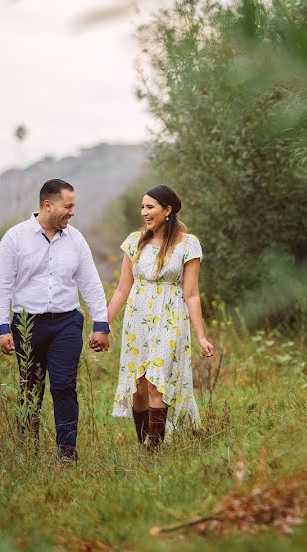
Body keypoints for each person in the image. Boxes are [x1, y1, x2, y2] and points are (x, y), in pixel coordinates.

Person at [0, 179, 110, 461]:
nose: (72, 212)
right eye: (68, 206)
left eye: (73, 206)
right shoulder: (15, 238)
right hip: (27, 325)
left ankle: (67, 453)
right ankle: (27, 452)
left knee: (64, 384)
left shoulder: (76, 239)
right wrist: (2, 328)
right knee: (30, 387)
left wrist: (101, 324)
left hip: (66, 322)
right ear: (48, 205)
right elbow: (2, 286)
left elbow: (90, 283)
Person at [107, 185, 214, 449]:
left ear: (168, 210)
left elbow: (191, 294)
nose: (144, 212)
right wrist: (103, 322)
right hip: (137, 319)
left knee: (157, 382)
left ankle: (154, 446)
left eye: (150, 207)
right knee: (139, 387)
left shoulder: (188, 244)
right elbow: (123, 288)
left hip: (171, 317)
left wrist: (201, 336)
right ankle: (143, 440)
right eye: (143, 207)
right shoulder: (134, 241)